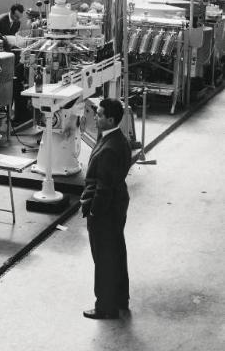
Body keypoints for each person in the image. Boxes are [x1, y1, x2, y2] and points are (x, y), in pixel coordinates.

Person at [80, 98, 131, 320]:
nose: (95, 117)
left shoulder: (110, 148)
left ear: (110, 119)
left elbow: (104, 187)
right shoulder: (116, 138)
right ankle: (120, 298)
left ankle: (106, 307)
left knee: (104, 259)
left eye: (99, 115)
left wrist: (94, 212)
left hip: (105, 210)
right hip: (117, 206)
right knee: (117, 252)